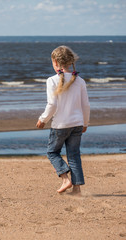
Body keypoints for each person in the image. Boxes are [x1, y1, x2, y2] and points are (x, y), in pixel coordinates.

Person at [36, 46, 90, 194]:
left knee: (52, 152)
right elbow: (86, 105)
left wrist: (43, 119)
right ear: (71, 62)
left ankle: (66, 179)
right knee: (74, 155)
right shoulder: (80, 81)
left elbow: (52, 104)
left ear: (55, 62)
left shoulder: (51, 80)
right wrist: (85, 123)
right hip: (77, 124)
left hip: (60, 125)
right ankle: (77, 188)